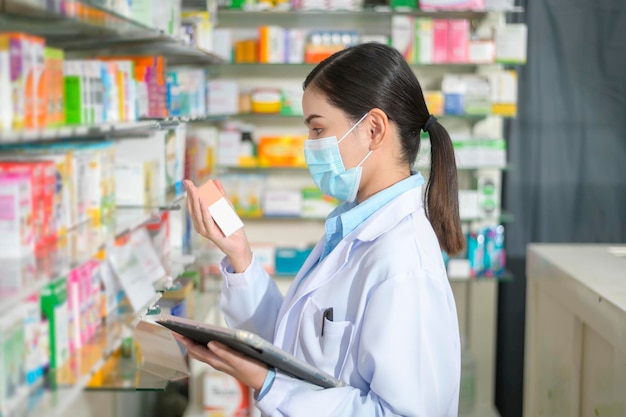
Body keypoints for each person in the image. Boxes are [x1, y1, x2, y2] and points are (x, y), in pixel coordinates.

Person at [177, 42, 465, 417]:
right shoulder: (351, 225)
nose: (309, 146)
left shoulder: (403, 261)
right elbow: (297, 343)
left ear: (374, 129)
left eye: (318, 129)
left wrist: (269, 384)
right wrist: (241, 256)